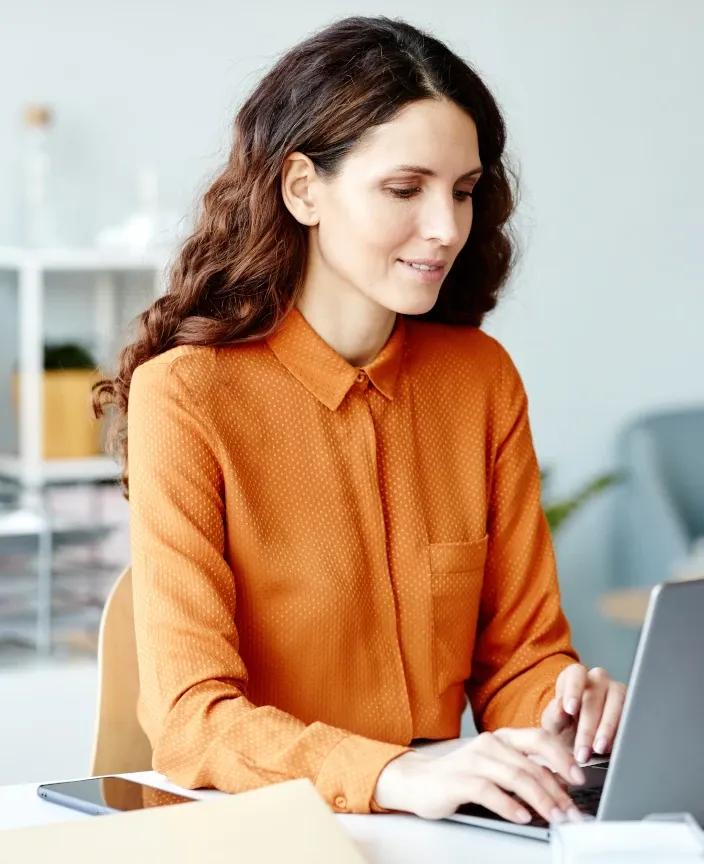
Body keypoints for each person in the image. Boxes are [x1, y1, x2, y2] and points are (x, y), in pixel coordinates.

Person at [93, 15, 626, 826]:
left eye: (464, 191)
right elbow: (191, 719)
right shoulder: (189, 397)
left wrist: (558, 716)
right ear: (303, 187)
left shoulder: (480, 381)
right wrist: (393, 777)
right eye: (405, 189)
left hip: (442, 833)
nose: (447, 228)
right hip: (269, 828)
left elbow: (519, 655)